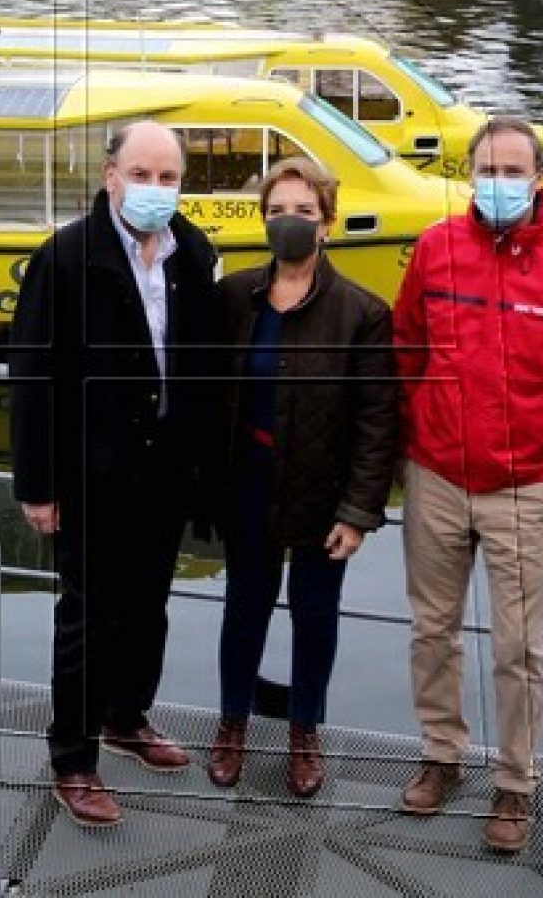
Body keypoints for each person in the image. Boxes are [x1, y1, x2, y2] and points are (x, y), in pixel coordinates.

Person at [394, 115, 543, 853]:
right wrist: (409, 436)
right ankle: (442, 756)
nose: (498, 182)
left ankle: (516, 784)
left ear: (540, 179)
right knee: (432, 629)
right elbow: (406, 348)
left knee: (520, 647)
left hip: (523, 487)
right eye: (486, 168)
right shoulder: (435, 248)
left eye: (513, 170)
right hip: (436, 476)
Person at [9, 120, 216, 828]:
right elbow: (32, 377)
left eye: (169, 178)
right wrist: (37, 485)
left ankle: (128, 718)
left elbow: (197, 363)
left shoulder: (192, 253)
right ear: (111, 177)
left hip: (163, 470)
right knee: (88, 618)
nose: (156, 189)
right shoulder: (67, 258)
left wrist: (200, 464)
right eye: (143, 174)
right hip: (90, 474)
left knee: (148, 604)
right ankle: (73, 757)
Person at [207, 156, 397, 796]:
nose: (289, 223)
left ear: (328, 224)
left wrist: (359, 511)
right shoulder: (234, 296)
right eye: (277, 211)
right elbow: (208, 397)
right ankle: (232, 723)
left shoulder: (362, 313)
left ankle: (304, 731)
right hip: (247, 486)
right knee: (244, 609)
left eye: (304, 213)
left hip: (323, 494)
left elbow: (378, 422)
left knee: (315, 615)